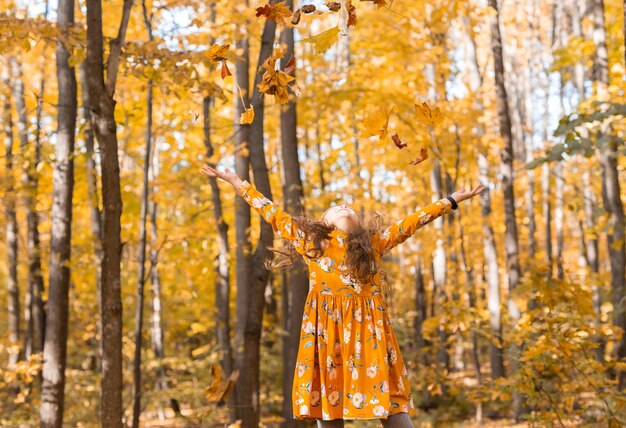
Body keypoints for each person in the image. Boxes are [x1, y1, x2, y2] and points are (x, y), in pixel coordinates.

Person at [200, 165, 486, 427]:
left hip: (370, 338)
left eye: (349, 206)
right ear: (324, 223)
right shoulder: (313, 243)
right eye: (337, 207)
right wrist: (237, 182)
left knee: (393, 404)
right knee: (330, 405)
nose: (345, 206)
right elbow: (272, 214)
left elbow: (412, 222)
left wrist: (450, 200)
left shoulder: (374, 244)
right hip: (328, 338)